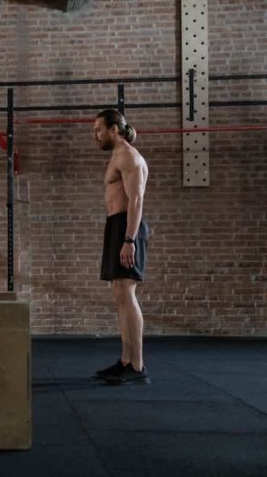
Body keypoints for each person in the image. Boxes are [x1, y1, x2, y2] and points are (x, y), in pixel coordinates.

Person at [92, 109, 150, 385]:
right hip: (117, 225)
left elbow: (136, 201)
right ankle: (126, 360)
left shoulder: (128, 156)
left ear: (114, 129)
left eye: (99, 130)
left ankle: (138, 367)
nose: (96, 135)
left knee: (127, 293)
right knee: (120, 295)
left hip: (127, 228)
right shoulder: (117, 156)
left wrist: (129, 239)